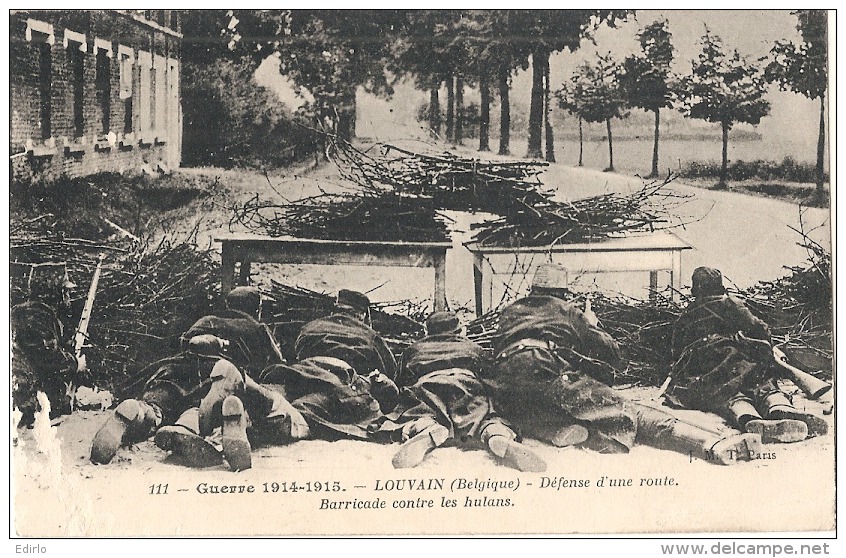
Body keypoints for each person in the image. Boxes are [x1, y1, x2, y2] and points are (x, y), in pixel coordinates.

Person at [483, 290, 762, 465]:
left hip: (505, 383)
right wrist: (591, 323)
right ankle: (711, 442)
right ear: (562, 292)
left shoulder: (512, 310)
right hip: (543, 366)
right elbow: (613, 354)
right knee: (631, 412)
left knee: (526, 407)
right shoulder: (566, 310)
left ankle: (554, 430)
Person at [166, 289, 400, 471]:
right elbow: (391, 370)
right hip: (337, 379)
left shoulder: (311, 327)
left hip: (296, 372)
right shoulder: (370, 335)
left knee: (276, 395)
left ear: (336, 307)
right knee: (300, 419)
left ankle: (244, 391)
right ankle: (243, 398)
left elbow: (294, 353)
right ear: (362, 315)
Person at [90, 287, 285, 464]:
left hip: (175, 369)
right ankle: (187, 427)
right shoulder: (257, 328)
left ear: (228, 305)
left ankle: (139, 412)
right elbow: (274, 366)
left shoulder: (206, 320)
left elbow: (181, 343)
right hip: (217, 373)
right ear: (256, 308)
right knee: (199, 405)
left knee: (158, 406)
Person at [669, 266, 828, 443]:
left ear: (696, 288)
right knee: (760, 382)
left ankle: (748, 417)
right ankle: (778, 406)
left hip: (700, 369)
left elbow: (676, 349)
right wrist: (752, 342)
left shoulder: (688, 312)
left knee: (726, 394)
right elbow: (760, 328)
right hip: (734, 357)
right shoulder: (730, 303)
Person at [377, 311, 546, 472]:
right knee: (485, 415)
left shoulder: (414, 349)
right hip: (467, 383)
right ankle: (495, 433)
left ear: (427, 332)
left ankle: (426, 428)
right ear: (460, 331)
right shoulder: (473, 348)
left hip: (428, 385)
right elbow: (491, 379)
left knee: (419, 411)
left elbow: (401, 382)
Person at [12, 263, 85, 427]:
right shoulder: (38, 315)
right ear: (54, 292)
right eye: (64, 291)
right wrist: (75, 363)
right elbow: (48, 358)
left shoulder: (22, 311)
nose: (67, 296)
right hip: (23, 399)